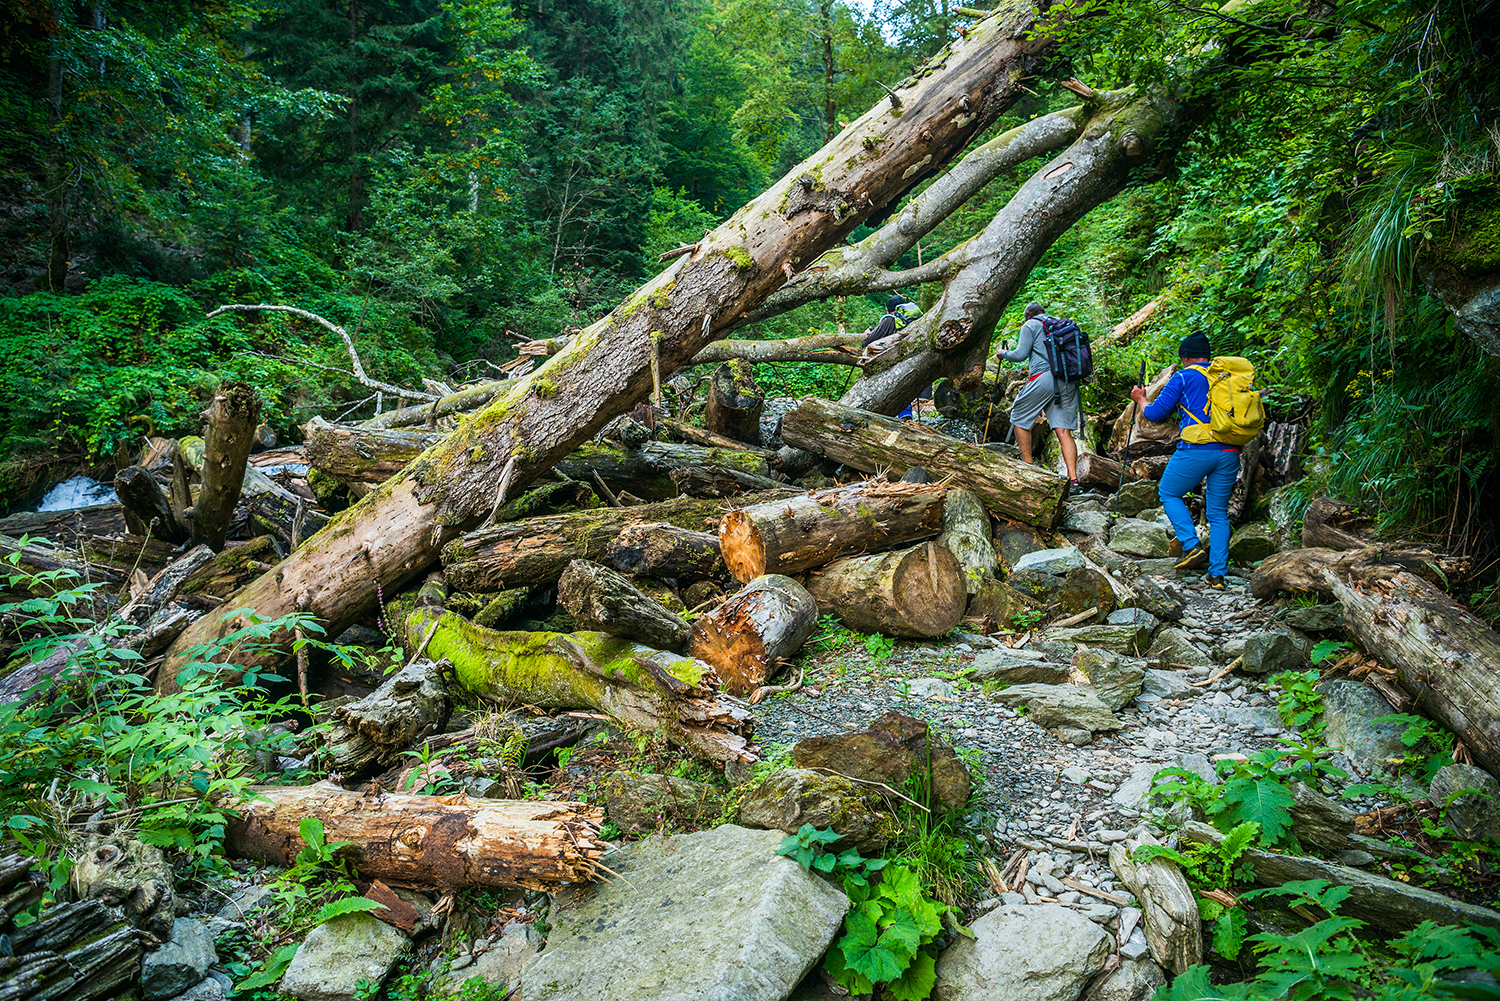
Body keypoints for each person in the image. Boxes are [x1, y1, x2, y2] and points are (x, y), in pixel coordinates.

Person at [1130, 332, 1239, 589]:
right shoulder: (1228, 377)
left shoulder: (1183, 376)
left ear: (1186, 357)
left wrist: (1141, 399)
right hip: (1230, 451)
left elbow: (1156, 414)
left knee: (1168, 492)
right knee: (1218, 514)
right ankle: (1217, 575)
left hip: (1197, 450)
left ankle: (1191, 546)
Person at [996, 302, 1080, 485]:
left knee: (1018, 416)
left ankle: (1029, 467)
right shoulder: (1060, 324)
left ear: (1028, 314)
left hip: (1044, 378)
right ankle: (1074, 480)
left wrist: (1003, 354)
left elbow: (1020, 355)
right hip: (1067, 379)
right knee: (1063, 431)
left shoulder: (1030, 325)